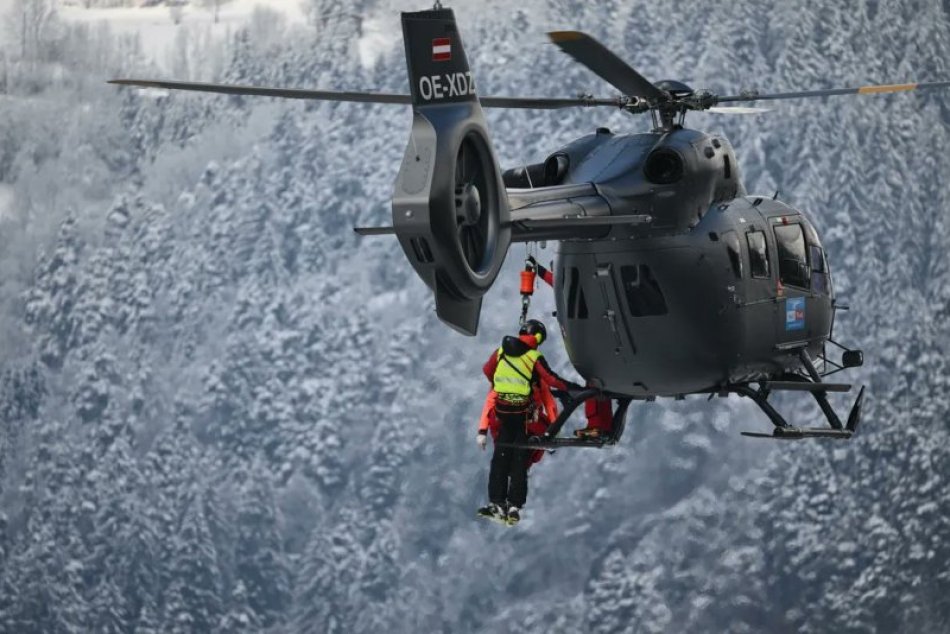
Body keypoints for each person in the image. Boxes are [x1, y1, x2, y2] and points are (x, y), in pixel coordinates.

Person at [476, 319, 579, 525]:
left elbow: (488, 377)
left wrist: (482, 430)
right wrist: (573, 390)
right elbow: (550, 398)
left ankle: (497, 502)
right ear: (538, 338)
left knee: (500, 460)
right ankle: (514, 504)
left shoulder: (501, 354)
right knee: (520, 462)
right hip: (527, 421)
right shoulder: (533, 360)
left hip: (503, 416)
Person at [527, 255, 616, 439]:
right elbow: (554, 281)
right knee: (596, 383)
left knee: (596, 383)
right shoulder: (573, 285)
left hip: (595, 337)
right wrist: (536, 267)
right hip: (596, 336)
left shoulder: (573, 285)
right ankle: (599, 426)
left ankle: (599, 427)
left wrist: (537, 268)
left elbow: (555, 281)